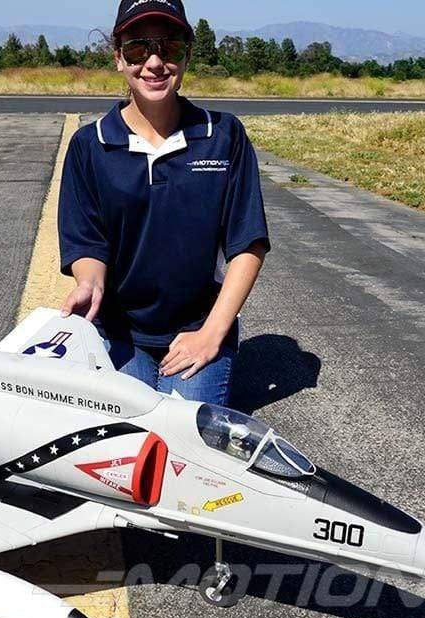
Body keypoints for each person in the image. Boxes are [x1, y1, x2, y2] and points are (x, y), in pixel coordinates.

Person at [57, 0, 270, 406]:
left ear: (187, 55)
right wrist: (90, 284)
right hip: (120, 332)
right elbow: (86, 243)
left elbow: (248, 243)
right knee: (128, 429)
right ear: (118, 57)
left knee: (180, 435)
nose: (154, 63)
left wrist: (212, 333)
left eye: (169, 48)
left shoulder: (224, 135)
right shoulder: (90, 145)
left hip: (198, 324)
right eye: (138, 49)